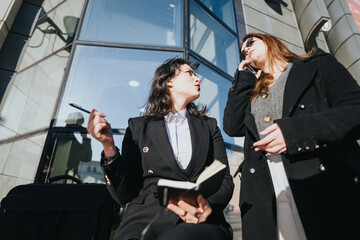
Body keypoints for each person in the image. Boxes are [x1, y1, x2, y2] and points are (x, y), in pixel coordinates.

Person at [223, 33, 360, 240]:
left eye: (251, 42)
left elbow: (355, 111)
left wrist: (294, 132)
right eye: (243, 50)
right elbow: (232, 127)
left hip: (320, 181)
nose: (246, 49)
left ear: (270, 41)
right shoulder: (253, 93)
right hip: (266, 188)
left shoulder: (318, 66)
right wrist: (243, 79)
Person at [87, 57, 234, 240]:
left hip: (200, 218)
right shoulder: (138, 126)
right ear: (169, 81)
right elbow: (124, 194)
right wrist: (108, 145)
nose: (198, 79)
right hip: (146, 218)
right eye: (190, 73)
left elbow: (225, 180)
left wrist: (206, 205)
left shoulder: (209, 126)